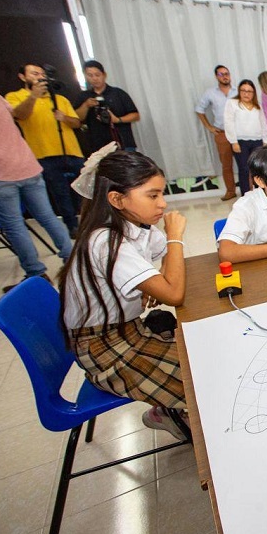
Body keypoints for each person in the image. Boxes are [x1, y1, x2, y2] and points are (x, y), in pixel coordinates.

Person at [58, 150, 188, 440]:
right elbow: (174, 294)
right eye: (152, 196)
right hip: (104, 348)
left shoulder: (134, 227)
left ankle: (171, 408)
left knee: (202, 354)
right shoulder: (106, 240)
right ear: (117, 199)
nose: (163, 204)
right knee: (202, 378)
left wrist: (159, 277)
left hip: (127, 329)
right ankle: (169, 412)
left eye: (162, 194)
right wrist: (175, 235)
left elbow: (165, 259)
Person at [0, 80, 73, 292]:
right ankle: (72, 260)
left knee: (14, 226)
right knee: (48, 217)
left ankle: (36, 273)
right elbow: (13, 114)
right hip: (27, 165)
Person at [6, 63, 85, 236]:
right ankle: (72, 227)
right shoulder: (15, 96)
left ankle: (89, 224)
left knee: (83, 191)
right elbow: (20, 115)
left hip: (72, 152)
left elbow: (76, 123)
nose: (40, 76)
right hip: (44, 155)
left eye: (42, 73)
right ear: (22, 77)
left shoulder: (59, 99)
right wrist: (33, 96)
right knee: (60, 193)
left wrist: (64, 117)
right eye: (34, 73)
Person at [73, 60, 140, 151]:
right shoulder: (83, 96)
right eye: (90, 75)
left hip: (123, 142)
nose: (94, 78)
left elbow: (135, 115)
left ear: (104, 75)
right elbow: (77, 119)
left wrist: (117, 120)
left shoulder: (118, 93)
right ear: (86, 76)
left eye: (97, 75)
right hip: (99, 147)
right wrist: (86, 105)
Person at [195, 65, 238, 201]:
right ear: (216, 76)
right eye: (221, 74)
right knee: (226, 165)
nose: (225, 76)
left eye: (227, 73)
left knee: (245, 164)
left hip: (239, 133)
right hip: (222, 133)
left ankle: (248, 190)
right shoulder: (210, 93)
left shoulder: (238, 91)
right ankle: (230, 191)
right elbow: (199, 109)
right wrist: (209, 127)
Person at [224, 79, 267, 196]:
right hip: (240, 142)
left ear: (253, 93)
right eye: (243, 90)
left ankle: (261, 194)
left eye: (249, 91)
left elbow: (263, 123)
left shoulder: (258, 106)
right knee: (244, 169)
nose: (246, 94)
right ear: (239, 91)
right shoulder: (232, 103)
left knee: (258, 170)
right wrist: (233, 142)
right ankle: (246, 195)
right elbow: (228, 123)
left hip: (257, 141)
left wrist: (265, 141)